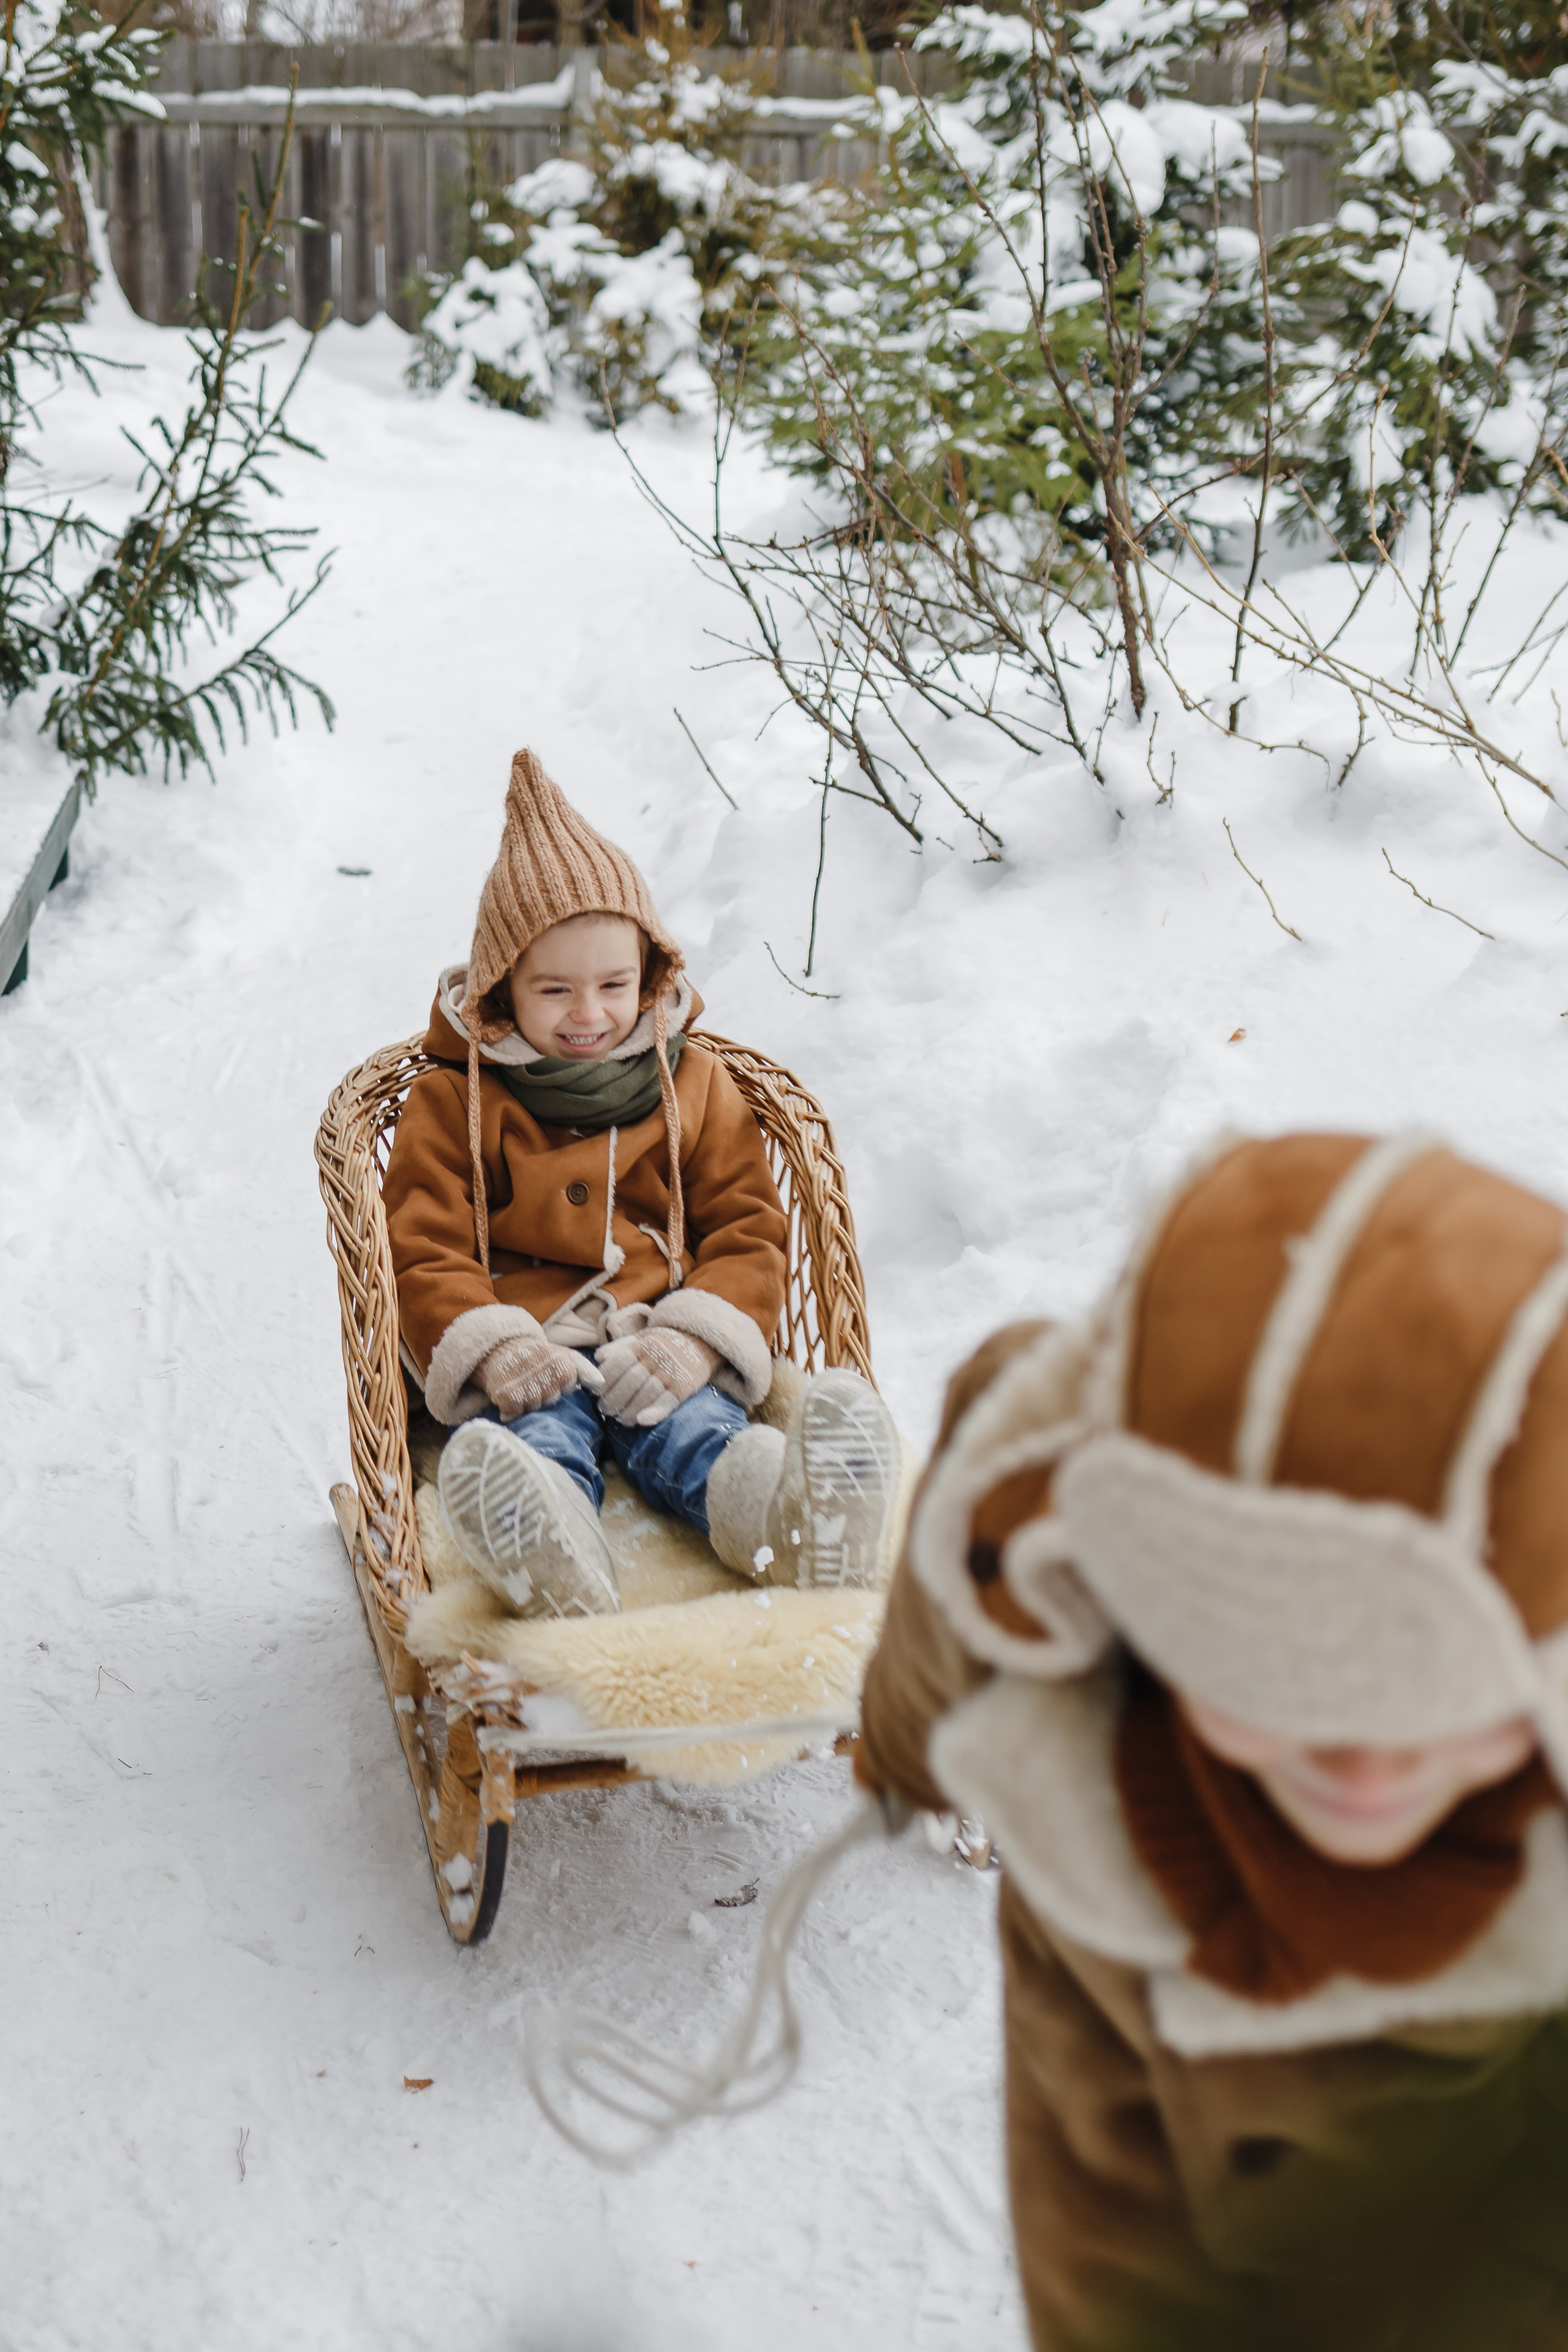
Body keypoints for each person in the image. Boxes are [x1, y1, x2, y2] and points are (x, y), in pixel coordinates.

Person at [856, 1132, 1568, 2352]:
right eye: (1281, 1689)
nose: (1363, 1771)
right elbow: (951, 1597)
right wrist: (902, 1750)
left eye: (1442, 1708)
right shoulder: (1037, 1584)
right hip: (1116, 2224)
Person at [384, 747, 899, 1618]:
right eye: (555, 990)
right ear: (504, 991)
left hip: (654, 1342)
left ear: (652, 975)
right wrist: (499, 1347)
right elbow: (421, 1244)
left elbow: (748, 1224)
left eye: (614, 985)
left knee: (700, 1433)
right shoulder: (454, 1098)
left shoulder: (694, 1081)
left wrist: (693, 1339)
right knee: (539, 1445)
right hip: (536, 1354)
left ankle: (793, 1520)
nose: (589, 1015)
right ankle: (548, 1552)